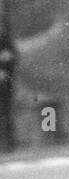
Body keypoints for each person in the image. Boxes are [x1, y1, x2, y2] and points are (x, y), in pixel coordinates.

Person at [0, 8, 16, 153]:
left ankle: (8, 144)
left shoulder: (4, 41)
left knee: (5, 112)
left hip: (4, 84)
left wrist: (4, 71)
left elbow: (10, 58)